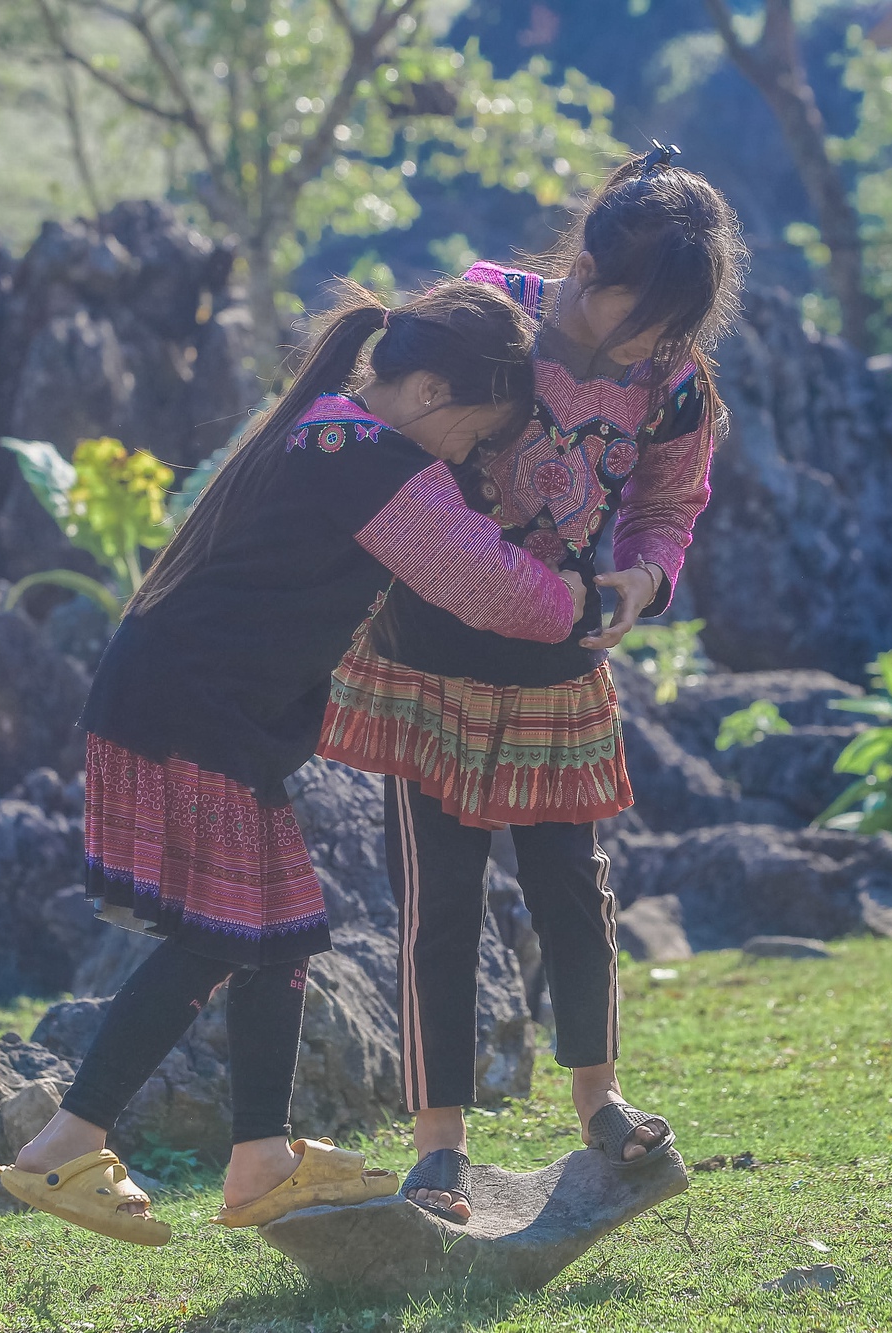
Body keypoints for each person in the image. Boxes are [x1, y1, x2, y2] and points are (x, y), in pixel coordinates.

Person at [0, 280, 588, 1245]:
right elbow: (488, 585)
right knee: (221, 933)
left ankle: (260, 1162)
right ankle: (63, 1145)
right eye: (480, 434)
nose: (474, 457)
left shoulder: (328, 425)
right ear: (434, 393)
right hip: (196, 710)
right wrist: (583, 600)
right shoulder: (379, 466)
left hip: (184, 697)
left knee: (278, 934)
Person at [316, 147, 747, 1223]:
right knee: (437, 904)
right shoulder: (481, 314)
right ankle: (439, 1147)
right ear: (588, 264)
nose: (653, 344)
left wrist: (645, 577)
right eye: (639, 316)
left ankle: (597, 1099)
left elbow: (668, 501)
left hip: (563, 666)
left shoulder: (676, 384)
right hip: (426, 656)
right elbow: (385, 439)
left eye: (674, 329)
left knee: (574, 892)